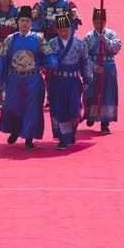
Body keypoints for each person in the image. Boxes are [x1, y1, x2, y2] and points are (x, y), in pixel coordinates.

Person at [0, 5, 58, 149]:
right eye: (22, 21)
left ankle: (29, 137)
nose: (24, 23)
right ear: (17, 22)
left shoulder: (39, 39)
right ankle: (15, 130)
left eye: (27, 21)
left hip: (33, 79)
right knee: (12, 106)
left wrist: (50, 64)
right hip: (14, 78)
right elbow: (2, 59)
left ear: (31, 23)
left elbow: (48, 54)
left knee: (32, 108)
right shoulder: (10, 39)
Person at [47, 15, 92, 149]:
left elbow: (85, 62)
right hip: (56, 81)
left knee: (74, 109)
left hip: (73, 81)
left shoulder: (79, 44)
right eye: (61, 31)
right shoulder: (52, 44)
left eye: (66, 29)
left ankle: (72, 132)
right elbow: (45, 61)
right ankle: (63, 138)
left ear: (71, 28)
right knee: (58, 109)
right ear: (57, 31)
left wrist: (87, 80)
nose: (64, 33)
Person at [83, 8, 122, 133]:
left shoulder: (111, 34)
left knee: (108, 94)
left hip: (108, 67)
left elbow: (116, 48)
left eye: (101, 21)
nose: (98, 24)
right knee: (91, 93)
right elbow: (84, 54)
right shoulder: (88, 36)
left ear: (105, 22)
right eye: (96, 22)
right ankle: (91, 115)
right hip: (94, 66)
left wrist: (105, 40)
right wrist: (93, 66)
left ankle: (105, 123)